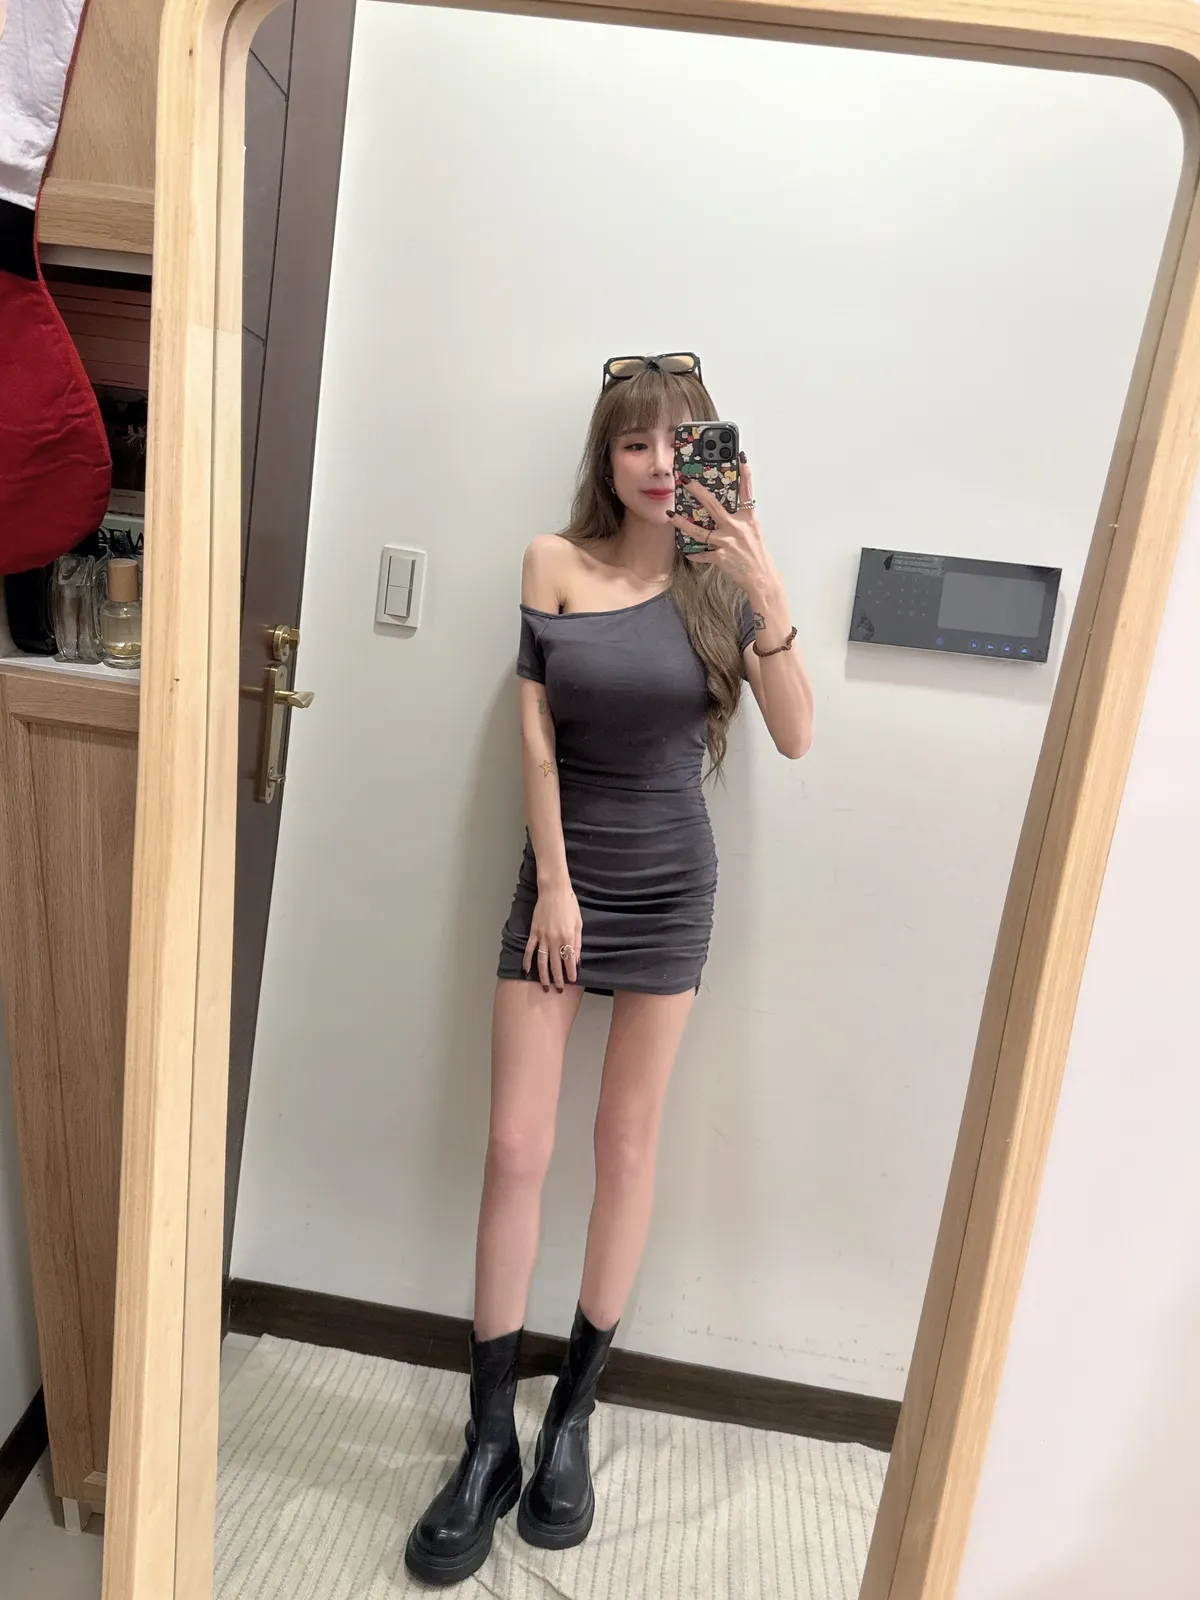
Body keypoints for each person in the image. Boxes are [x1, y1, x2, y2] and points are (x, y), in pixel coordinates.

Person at [404, 353, 814, 1586]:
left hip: (673, 887)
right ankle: (488, 1442)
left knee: (626, 1148)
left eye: (681, 442)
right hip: (560, 887)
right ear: (607, 457)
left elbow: (798, 733)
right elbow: (536, 737)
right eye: (636, 442)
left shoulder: (721, 588)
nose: (658, 463)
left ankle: (571, 1420)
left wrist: (762, 575)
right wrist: (557, 881)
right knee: (514, 1149)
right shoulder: (552, 563)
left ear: (710, 457)